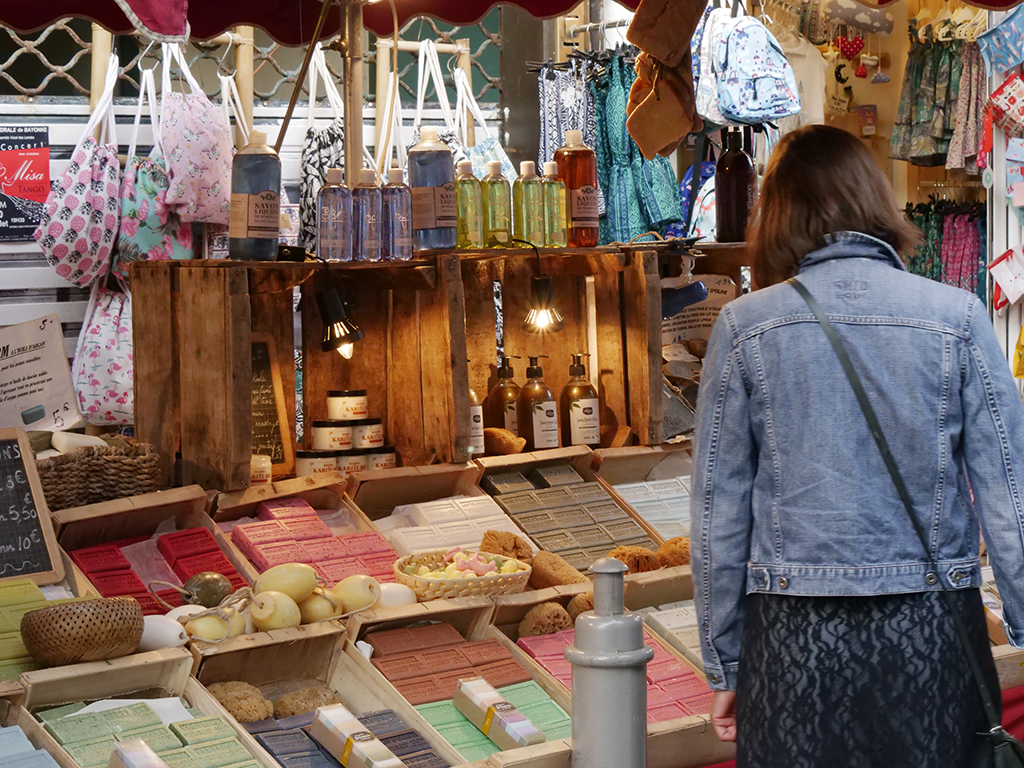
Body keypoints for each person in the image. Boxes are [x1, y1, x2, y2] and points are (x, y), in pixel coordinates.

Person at [691, 124, 1024, 767]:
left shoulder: (745, 326)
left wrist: (726, 663)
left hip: (792, 641)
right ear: (875, 200)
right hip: (930, 630)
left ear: (778, 213)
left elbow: (718, 515)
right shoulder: (957, 317)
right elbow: (1012, 495)